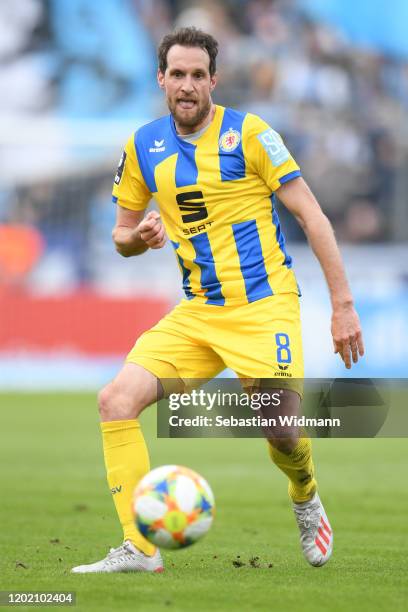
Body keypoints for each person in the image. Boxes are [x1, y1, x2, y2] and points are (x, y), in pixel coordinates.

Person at [71, 27, 364, 574]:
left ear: (214, 80)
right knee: (115, 400)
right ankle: (140, 548)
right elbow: (120, 235)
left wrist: (342, 305)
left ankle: (305, 493)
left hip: (264, 304)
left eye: (197, 75)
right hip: (199, 314)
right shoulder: (143, 146)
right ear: (161, 79)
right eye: (176, 74)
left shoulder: (250, 134)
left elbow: (312, 216)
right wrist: (140, 239)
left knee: (280, 432)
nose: (187, 85)